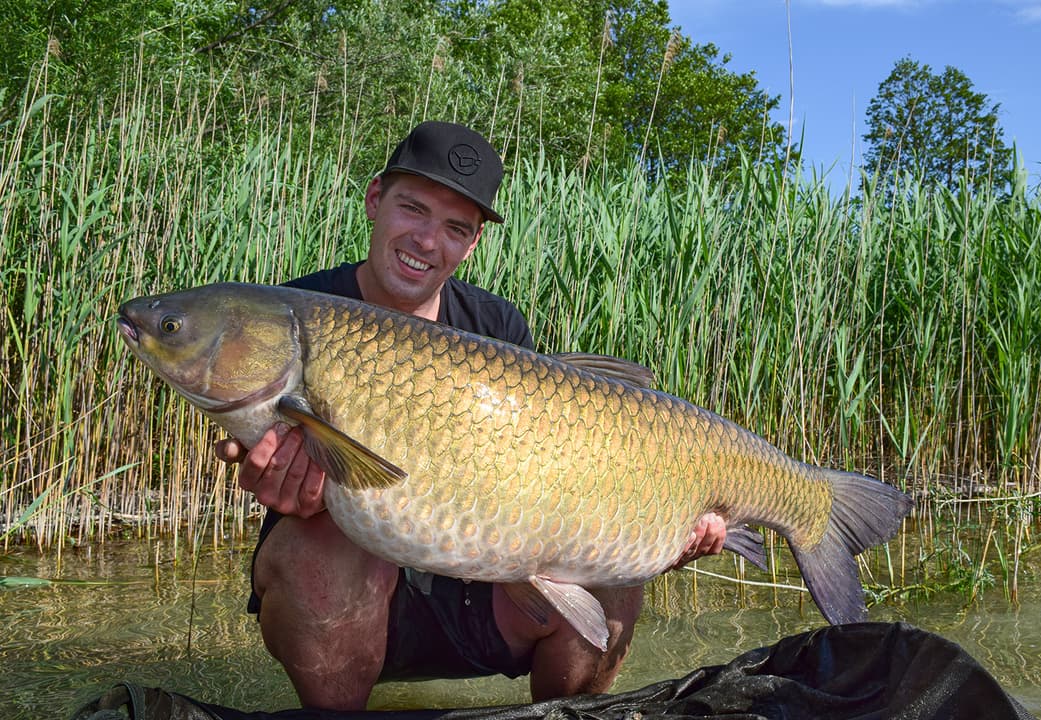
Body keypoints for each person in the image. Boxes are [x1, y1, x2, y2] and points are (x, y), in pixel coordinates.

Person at [214, 121, 728, 711]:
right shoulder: (291, 315)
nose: (428, 241)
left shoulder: (497, 330)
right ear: (375, 199)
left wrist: (662, 531)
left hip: (487, 600)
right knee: (311, 548)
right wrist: (280, 487)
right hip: (347, 607)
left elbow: (551, 486)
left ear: (473, 242)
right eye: (414, 209)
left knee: (614, 575)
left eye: (455, 228)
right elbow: (259, 456)